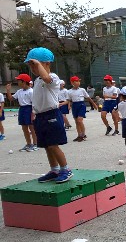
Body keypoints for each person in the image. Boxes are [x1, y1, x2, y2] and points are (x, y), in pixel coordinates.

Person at [25, 47, 72, 183]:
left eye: (35, 64)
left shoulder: (53, 78)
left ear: (47, 63)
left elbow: (46, 77)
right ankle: (54, 170)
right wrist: (34, 113)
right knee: (46, 145)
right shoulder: (38, 81)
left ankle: (65, 169)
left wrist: (39, 65)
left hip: (51, 114)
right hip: (41, 116)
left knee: (53, 145)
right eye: (31, 65)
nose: (33, 68)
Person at [6, 74, 38, 152]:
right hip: (22, 109)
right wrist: (8, 90)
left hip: (29, 108)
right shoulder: (19, 91)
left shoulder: (31, 91)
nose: (17, 82)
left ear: (24, 82)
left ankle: (35, 144)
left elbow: (34, 103)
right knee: (24, 127)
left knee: (32, 127)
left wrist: (33, 113)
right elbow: (11, 98)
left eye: (19, 81)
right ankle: (28, 144)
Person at [67, 76, 97, 142]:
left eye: (79, 81)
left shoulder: (82, 90)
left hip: (81, 105)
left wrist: (94, 104)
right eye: (76, 81)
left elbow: (88, 97)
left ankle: (83, 135)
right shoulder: (69, 91)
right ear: (72, 82)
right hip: (74, 105)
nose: (78, 83)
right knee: (76, 121)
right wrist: (68, 106)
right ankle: (79, 135)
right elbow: (68, 100)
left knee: (79, 120)